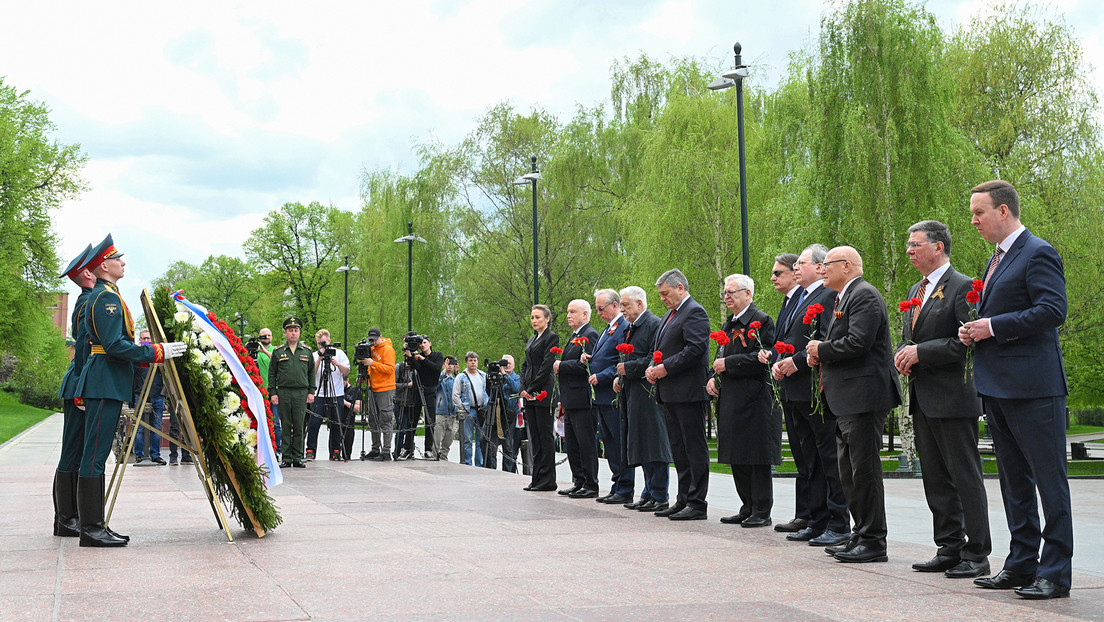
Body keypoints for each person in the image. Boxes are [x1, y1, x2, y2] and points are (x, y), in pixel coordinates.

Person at [959, 180, 1072, 600]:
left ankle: (1055, 573)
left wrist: (994, 327)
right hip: (998, 386)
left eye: (979, 212)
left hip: (1035, 388)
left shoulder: (1037, 252)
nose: (973, 221)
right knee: (1013, 482)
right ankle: (1022, 563)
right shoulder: (996, 259)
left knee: (1049, 481)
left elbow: (1052, 310)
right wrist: (976, 330)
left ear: (1003, 211)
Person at [74, 234, 186, 547]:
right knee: (95, 456)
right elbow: (113, 346)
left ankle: (95, 525)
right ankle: (91, 529)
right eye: (117, 259)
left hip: (105, 381)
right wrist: (155, 352)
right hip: (104, 381)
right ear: (103, 265)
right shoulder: (106, 299)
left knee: (95, 455)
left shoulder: (107, 294)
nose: (123, 263)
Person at [895, 220, 991, 579]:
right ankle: (948, 547)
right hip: (923, 397)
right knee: (935, 478)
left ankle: (977, 553)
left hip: (954, 398)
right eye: (908, 244)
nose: (909, 251)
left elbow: (968, 343)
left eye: (915, 244)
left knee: (964, 477)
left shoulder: (963, 287)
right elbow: (910, 337)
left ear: (938, 247)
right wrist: (902, 353)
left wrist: (921, 352)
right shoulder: (915, 290)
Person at [807, 246, 901, 563]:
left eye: (827, 265)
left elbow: (858, 342)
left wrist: (821, 348)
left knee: (865, 472)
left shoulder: (864, 295)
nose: (821, 270)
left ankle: (874, 541)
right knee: (849, 472)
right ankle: (861, 534)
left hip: (864, 396)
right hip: (847, 398)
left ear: (846, 266)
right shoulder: (845, 296)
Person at [770, 245, 850, 547]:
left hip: (814, 388)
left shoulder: (827, 296)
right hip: (794, 388)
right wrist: (780, 360)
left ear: (819, 268)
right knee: (809, 460)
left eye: (802, 263)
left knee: (828, 458)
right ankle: (817, 520)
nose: (796, 268)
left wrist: (796, 361)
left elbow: (826, 339)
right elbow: (789, 338)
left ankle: (838, 522)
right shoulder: (800, 298)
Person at [707, 274, 778, 527]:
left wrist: (728, 365)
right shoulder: (730, 323)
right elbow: (720, 354)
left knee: (755, 456)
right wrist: (713, 377)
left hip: (754, 398)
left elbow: (765, 358)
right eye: (725, 292)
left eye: (732, 292)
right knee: (736, 454)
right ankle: (746, 505)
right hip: (730, 398)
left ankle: (761, 509)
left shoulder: (761, 321)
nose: (727, 296)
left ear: (747, 294)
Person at [646, 269, 711, 521]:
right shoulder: (670, 315)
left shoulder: (694, 311)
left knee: (694, 449)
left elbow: (695, 349)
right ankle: (683, 498)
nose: (662, 298)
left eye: (665, 293)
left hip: (689, 392)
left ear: (680, 288)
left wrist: (665, 367)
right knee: (679, 450)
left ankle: (697, 502)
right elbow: (661, 348)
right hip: (670, 392)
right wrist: (653, 367)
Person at [614, 286, 672, 511]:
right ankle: (648, 492)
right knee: (641, 443)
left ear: (640, 304)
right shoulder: (631, 327)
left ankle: (660, 494)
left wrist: (628, 368)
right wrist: (620, 375)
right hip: (633, 392)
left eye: (626, 305)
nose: (622, 310)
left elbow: (654, 357)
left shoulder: (653, 324)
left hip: (648, 394)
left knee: (654, 444)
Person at [52, 243, 94, 538]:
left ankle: (68, 516)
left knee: (75, 451)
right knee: (72, 450)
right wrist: (81, 388)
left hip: (80, 381)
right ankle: (66, 518)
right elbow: (82, 347)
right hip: (79, 383)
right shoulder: (87, 300)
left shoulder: (87, 298)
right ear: (87, 274)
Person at [585, 289, 632, 504]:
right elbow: (605, 356)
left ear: (615, 306)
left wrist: (602, 375)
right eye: (596, 309)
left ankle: (625, 488)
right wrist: (590, 358)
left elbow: (621, 359)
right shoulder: (607, 329)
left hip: (612, 394)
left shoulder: (623, 327)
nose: (599, 313)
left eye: (601, 308)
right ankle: (616, 484)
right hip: (601, 397)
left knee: (619, 443)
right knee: (610, 444)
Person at [554, 299, 600, 498]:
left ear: (585, 314)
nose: (568, 315)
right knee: (572, 443)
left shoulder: (589, 335)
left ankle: (591, 483)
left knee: (585, 443)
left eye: (573, 312)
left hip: (582, 398)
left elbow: (586, 366)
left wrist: (560, 366)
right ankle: (578, 480)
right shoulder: (575, 336)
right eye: (567, 311)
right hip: (570, 398)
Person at [521, 305, 560, 492]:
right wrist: (522, 388)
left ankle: (547, 480)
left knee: (545, 437)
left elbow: (546, 366)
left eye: (537, 317)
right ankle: (536, 478)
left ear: (546, 319)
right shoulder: (531, 339)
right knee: (534, 437)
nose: (534, 320)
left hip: (543, 392)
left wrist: (532, 388)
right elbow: (524, 365)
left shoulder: (551, 338)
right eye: (532, 317)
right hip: (529, 393)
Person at [268, 317, 316, 469]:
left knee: (299, 425)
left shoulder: (307, 352)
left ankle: (298, 457)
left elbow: (311, 374)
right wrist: (273, 393)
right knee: (286, 424)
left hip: (301, 392)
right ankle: (287, 457)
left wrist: (311, 391)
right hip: (284, 392)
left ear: (299, 332)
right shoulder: (278, 352)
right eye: (290, 330)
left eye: (296, 330)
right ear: (286, 333)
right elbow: (272, 373)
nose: (293, 333)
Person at [309, 329, 350, 461]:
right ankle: (310, 450)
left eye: (325, 343)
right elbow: (311, 373)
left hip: (336, 393)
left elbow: (347, 372)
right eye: (320, 344)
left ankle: (335, 451)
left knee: (336, 423)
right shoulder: (315, 355)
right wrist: (320, 359)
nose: (323, 346)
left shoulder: (339, 354)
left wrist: (337, 364)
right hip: (318, 393)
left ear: (330, 341)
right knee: (314, 422)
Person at [358, 328, 397, 461]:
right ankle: (375, 448)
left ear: (380, 337)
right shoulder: (372, 349)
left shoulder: (387, 349)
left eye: (375, 339)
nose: (373, 342)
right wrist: (366, 373)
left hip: (385, 388)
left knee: (385, 419)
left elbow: (390, 369)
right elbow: (372, 368)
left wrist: (372, 363)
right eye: (371, 339)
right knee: (372, 420)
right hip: (372, 387)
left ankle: (386, 450)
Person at [131, 329, 166, 465]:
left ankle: (155, 455)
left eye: (148, 338)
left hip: (156, 395)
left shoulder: (157, 355)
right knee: (140, 426)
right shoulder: (136, 355)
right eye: (143, 339)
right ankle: (139, 455)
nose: (146, 341)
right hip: (140, 394)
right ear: (140, 340)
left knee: (156, 427)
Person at [410, 336, 444, 459]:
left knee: (430, 420)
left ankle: (428, 449)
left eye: (425, 343)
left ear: (430, 343)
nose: (422, 345)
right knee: (412, 419)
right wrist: (410, 355)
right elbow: (416, 368)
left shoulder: (437, 355)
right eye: (421, 344)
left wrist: (423, 359)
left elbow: (436, 368)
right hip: (418, 390)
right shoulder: (417, 357)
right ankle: (408, 447)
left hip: (430, 390)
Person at [452, 352, 487, 466]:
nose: (473, 362)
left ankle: (479, 464)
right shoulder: (461, 377)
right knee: (467, 439)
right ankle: (467, 462)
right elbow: (455, 395)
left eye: (475, 360)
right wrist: (462, 408)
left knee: (480, 439)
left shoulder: (483, 376)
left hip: (481, 410)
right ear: (466, 362)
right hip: (468, 410)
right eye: (470, 360)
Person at [499, 354, 525, 473]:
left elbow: (516, 389)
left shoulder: (517, 378)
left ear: (513, 366)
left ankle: (508, 471)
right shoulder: (498, 377)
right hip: (498, 414)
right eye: (505, 363)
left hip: (511, 415)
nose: (507, 365)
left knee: (509, 446)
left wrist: (505, 376)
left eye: (509, 363)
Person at [256, 328, 279, 454]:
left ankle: (277, 449)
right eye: (264, 336)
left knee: (275, 421)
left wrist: (264, 351)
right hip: (260, 390)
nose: (267, 337)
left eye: (269, 335)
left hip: (273, 390)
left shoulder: (275, 350)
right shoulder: (255, 351)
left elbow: (277, 362)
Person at [433, 357, 459, 461]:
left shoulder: (455, 379)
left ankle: (444, 457)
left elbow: (462, 387)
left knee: (448, 439)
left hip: (451, 412)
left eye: (452, 364)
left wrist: (457, 372)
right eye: (447, 363)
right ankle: (434, 456)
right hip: (440, 411)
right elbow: (435, 385)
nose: (449, 365)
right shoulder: (440, 377)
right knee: (437, 437)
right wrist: (443, 371)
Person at [340, 378, 361, 461]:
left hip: (349, 423)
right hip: (336, 423)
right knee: (334, 452)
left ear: (347, 380)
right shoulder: (334, 389)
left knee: (347, 453)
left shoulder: (354, 390)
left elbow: (359, 409)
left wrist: (345, 402)